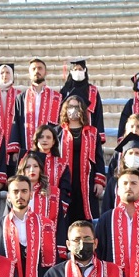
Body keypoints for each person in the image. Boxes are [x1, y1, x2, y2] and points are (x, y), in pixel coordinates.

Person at [58, 93, 107, 225]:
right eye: (69, 107)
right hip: (65, 179)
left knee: (86, 217)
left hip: (86, 180)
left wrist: (99, 181)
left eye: (76, 106)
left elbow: (99, 158)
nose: (72, 110)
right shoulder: (58, 132)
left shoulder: (92, 132)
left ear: (82, 110)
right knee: (65, 216)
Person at [8, 58, 62, 159]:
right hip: (26, 147)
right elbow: (16, 122)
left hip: (50, 150)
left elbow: (59, 124)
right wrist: (15, 150)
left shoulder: (56, 97)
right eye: (33, 69)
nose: (37, 71)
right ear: (29, 73)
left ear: (46, 72)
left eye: (40, 68)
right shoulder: (21, 98)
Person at [59, 57, 104, 136]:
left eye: (80, 69)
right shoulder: (65, 90)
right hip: (68, 132)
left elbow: (98, 113)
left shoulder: (92, 90)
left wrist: (99, 135)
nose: (78, 71)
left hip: (89, 130)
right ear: (71, 71)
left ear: (85, 70)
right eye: (75, 69)